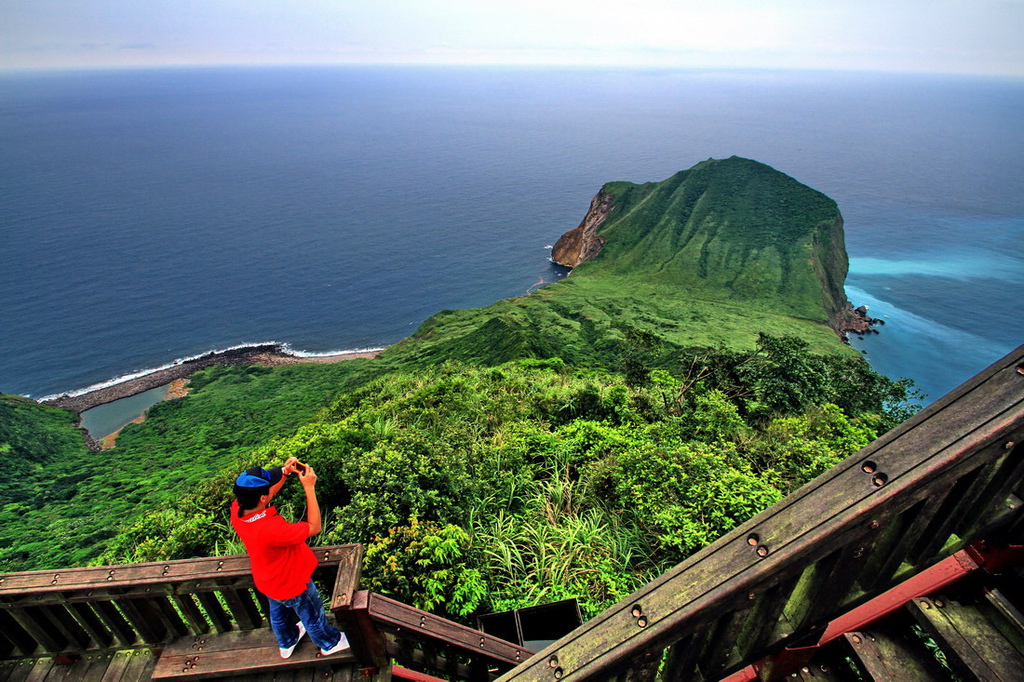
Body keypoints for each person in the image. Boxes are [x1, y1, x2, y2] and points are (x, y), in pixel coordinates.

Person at [231, 457, 349, 659]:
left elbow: (266, 494)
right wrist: (309, 488)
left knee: (278, 613)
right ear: (261, 498)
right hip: (292, 582)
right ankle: (329, 643)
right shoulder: (271, 529)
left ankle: (287, 641)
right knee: (312, 614)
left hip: (268, 579)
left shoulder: (238, 509)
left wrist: (284, 473)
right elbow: (314, 528)